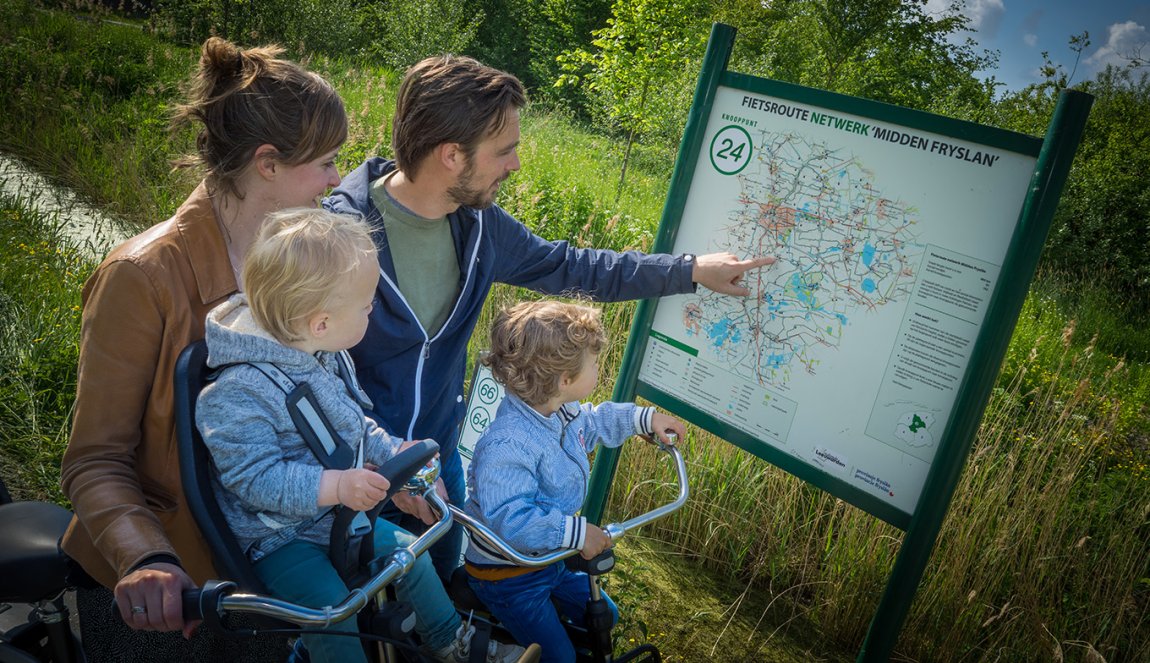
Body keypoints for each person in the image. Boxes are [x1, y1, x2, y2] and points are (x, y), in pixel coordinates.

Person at [323, 55, 773, 582]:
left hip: (439, 457)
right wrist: (385, 463)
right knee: (357, 611)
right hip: (357, 469)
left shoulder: (481, 228)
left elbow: (573, 266)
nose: (515, 165)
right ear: (451, 156)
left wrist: (691, 271)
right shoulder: (338, 237)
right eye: (505, 151)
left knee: (445, 579)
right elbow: (306, 371)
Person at [59, 36, 346, 658]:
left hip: (264, 569)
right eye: (326, 161)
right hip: (170, 592)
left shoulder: (291, 262)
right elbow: (94, 459)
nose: (338, 179)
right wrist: (147, 559)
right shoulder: (142, 277)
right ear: (267, 163)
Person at [195, 208, 533, 663]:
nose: (372, 311)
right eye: (366, 306)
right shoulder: (235, 392)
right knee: (334, 611)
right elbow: (254, 480)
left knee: (409, 556)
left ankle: (448, 641)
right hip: (276, 539)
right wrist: (336, 487)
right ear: (321, 322)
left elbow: (352, 424)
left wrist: (394, 451)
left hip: (332, 520)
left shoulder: (316, 354)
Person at [463, 300, 685, 663]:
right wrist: (577, 534)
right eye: (594, 364)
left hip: (549, 559)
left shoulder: (558, 410)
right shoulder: (508, 445)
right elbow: (512, 521)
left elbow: (593, 422)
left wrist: (643, 420)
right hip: (507, 575)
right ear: (564, 380)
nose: (599, 367)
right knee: (560, 659)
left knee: (605, 616)